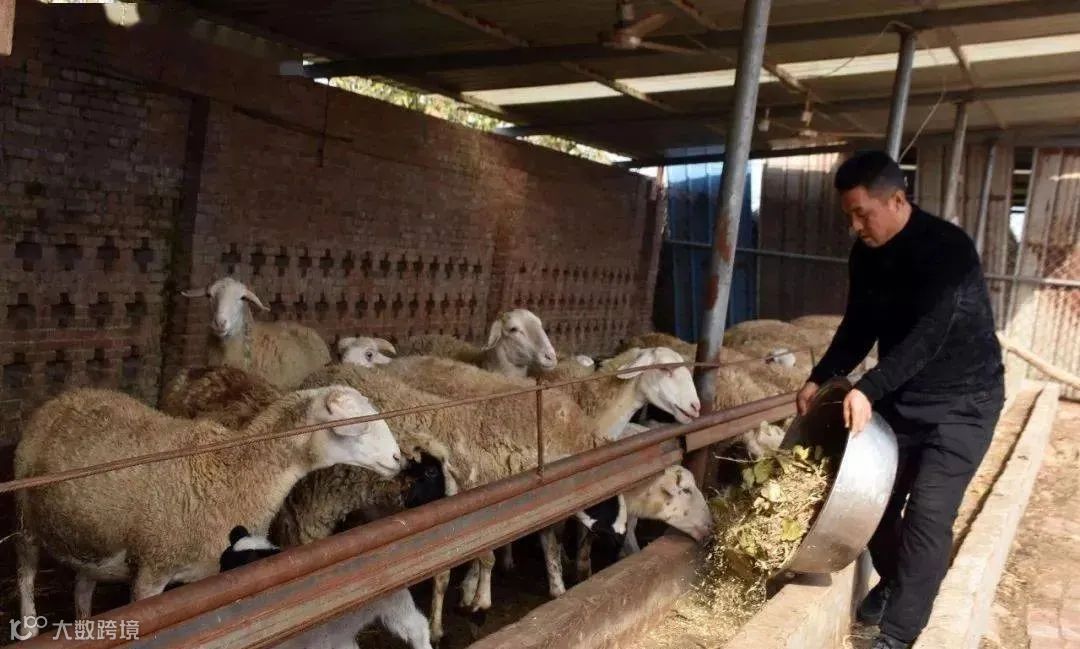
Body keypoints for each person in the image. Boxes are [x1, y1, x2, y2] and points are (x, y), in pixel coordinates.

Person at [797, 150, 1005, 649]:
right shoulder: (866, 254)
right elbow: (859, 324)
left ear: (896, 200)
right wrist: (822, 376)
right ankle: (894, 582)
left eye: (862, 213)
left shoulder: (947, 250)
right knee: (870, 503)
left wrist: (868, 388)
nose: (855, 226)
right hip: (905, 395)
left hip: (964, 403)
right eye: (849, 215)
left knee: (929, 514)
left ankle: (898, 635)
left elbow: (928, 336)